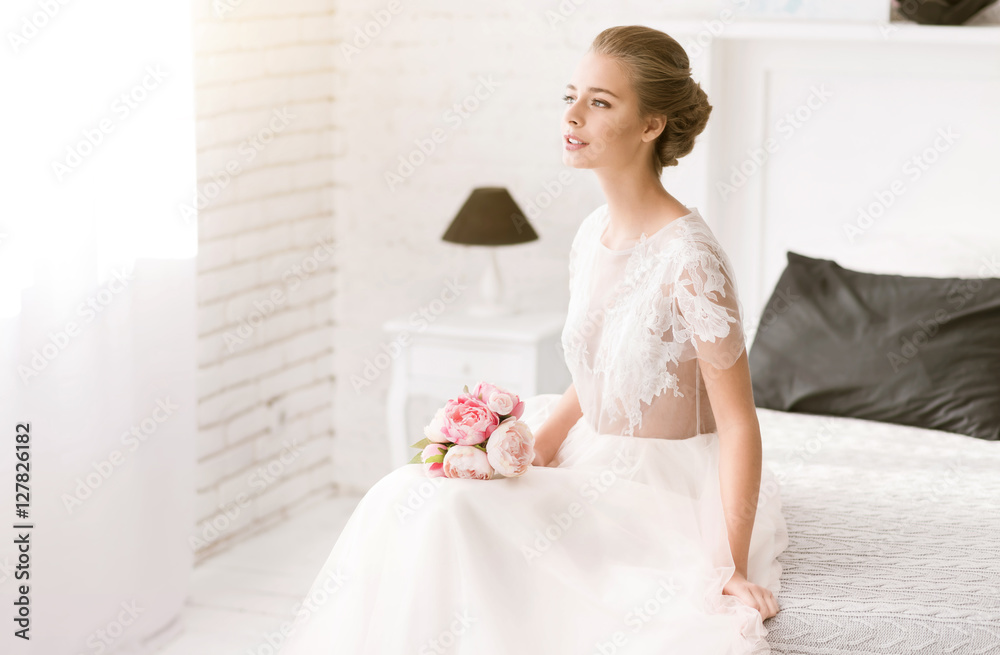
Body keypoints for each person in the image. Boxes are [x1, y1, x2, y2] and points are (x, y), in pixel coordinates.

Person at [278, 25, 789, 655]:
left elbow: (740, 424)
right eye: (570, 95)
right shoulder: (592, 232)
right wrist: (539, 443)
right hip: (583, 454)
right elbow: (603, 368)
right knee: (409, 497)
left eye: (600, 102)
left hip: (659, 491)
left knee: (450, 517)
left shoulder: (690, 257)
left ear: (652, 124)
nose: (572, 116)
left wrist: (729, 566)